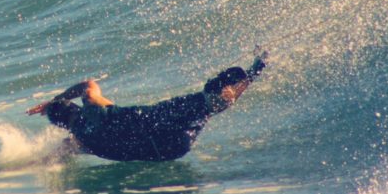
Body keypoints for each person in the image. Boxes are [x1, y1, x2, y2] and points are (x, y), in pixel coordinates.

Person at [26, 50, 268, 162]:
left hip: (170, 149)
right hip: (156, 121)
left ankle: (249, 78)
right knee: (207, 100)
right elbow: (88, 85)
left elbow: (51, 158)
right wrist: (53, 101)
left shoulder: (77, 142)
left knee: (206, 111)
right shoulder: (92, 110)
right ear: (73, 108)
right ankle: (253, 73)